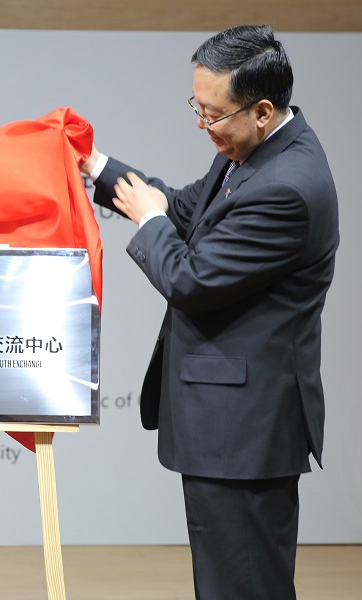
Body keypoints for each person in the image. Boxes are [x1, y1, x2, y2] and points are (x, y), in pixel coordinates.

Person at [81, 25, 339, 599]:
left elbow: (190, 279)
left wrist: (148, 223)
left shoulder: (286, 188)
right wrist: (94, 164)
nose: (204, 125)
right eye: (197, 109)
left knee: (242, 586)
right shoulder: (252, 150)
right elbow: (178, 208)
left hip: (243, 433)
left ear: (263, 108)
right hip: (228, 427)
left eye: (213, 114)